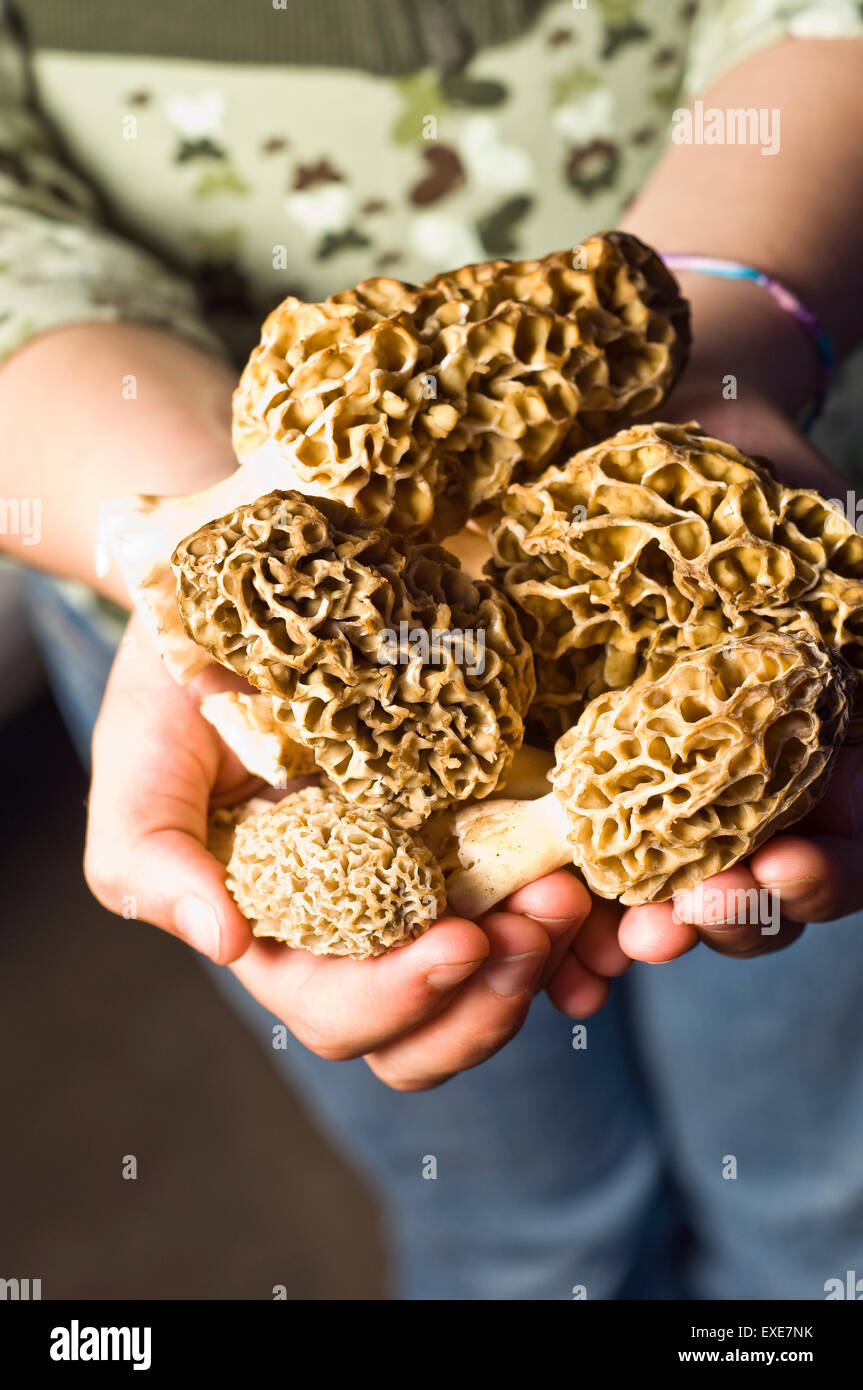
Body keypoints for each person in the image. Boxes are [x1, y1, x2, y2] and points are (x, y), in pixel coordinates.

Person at [2, 0, 863, 1299]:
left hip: (755, 479)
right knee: (517, 1214)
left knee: (823, 1166)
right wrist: (184, 552)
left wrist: (730, 344)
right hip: (106, 477)